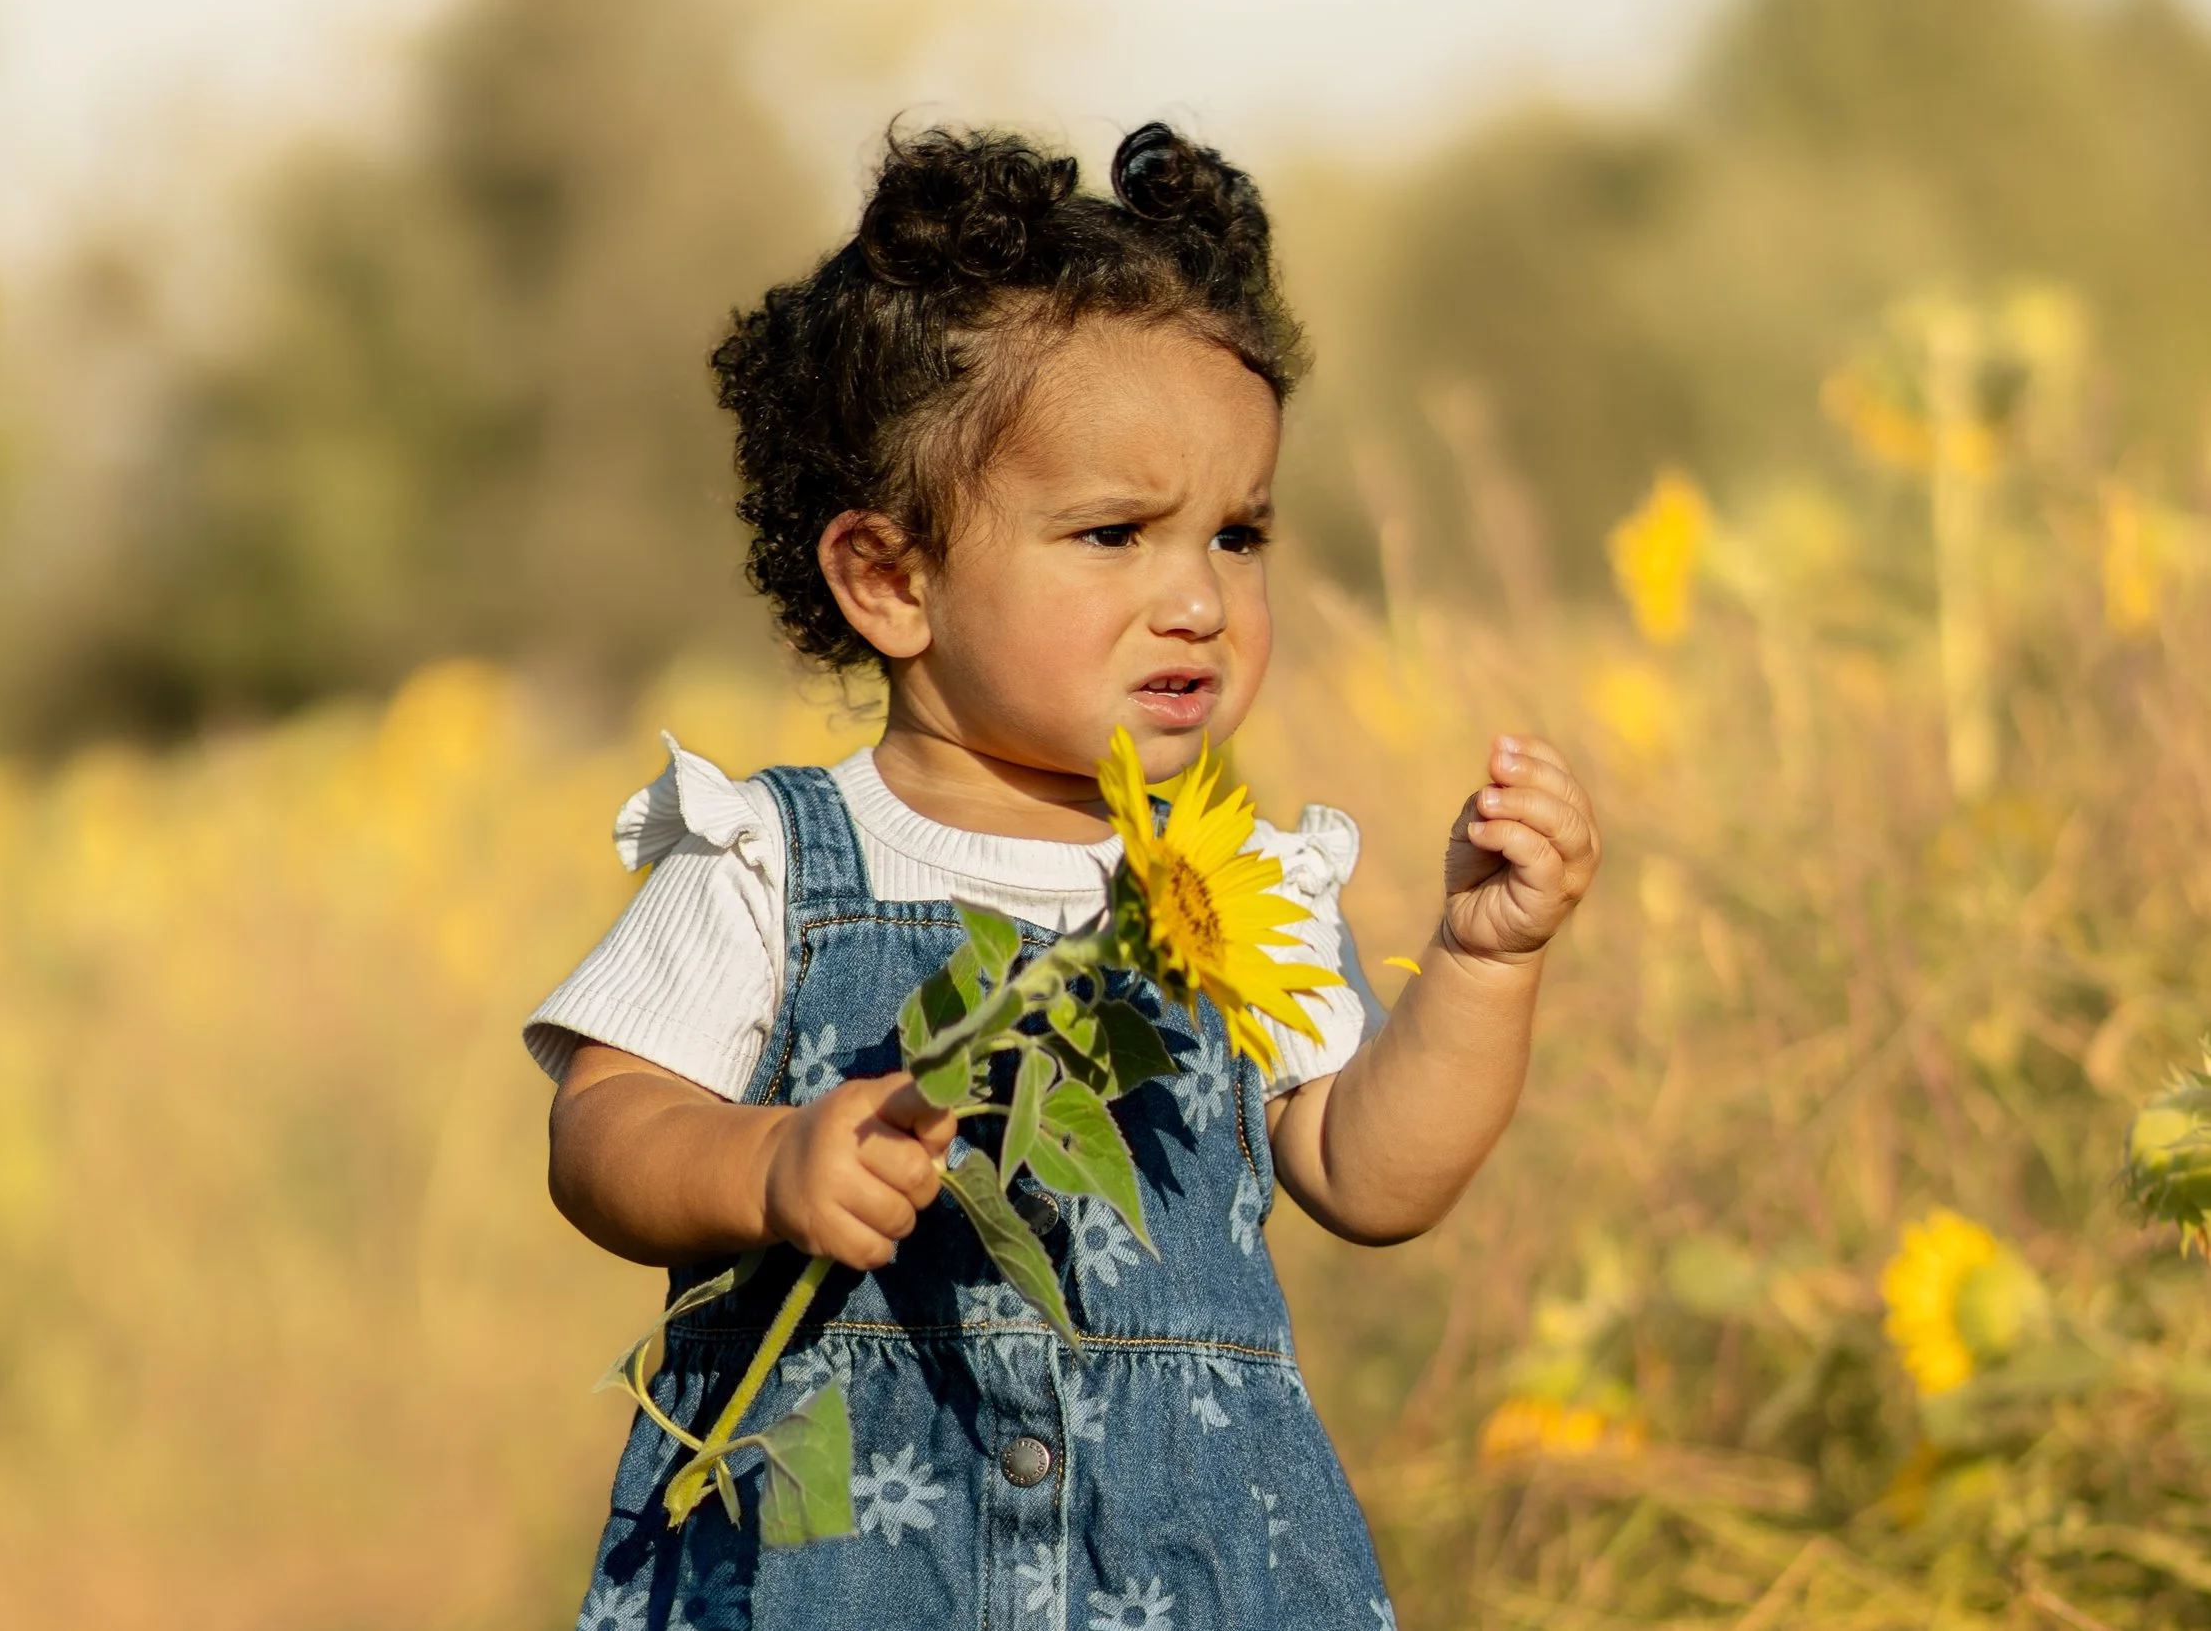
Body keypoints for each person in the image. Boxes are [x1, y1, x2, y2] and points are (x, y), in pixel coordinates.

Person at [526, 121, 1600, 1631]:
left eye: (1239, 534)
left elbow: (1369, 1168)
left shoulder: (1247, 887)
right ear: (891, 579)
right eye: (1116, 533)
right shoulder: (771, 856)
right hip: (834, 1555)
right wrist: (766, 1164)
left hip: (1199, 1576)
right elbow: (603, 1129)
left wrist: (1487, 963)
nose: (1200, 599)